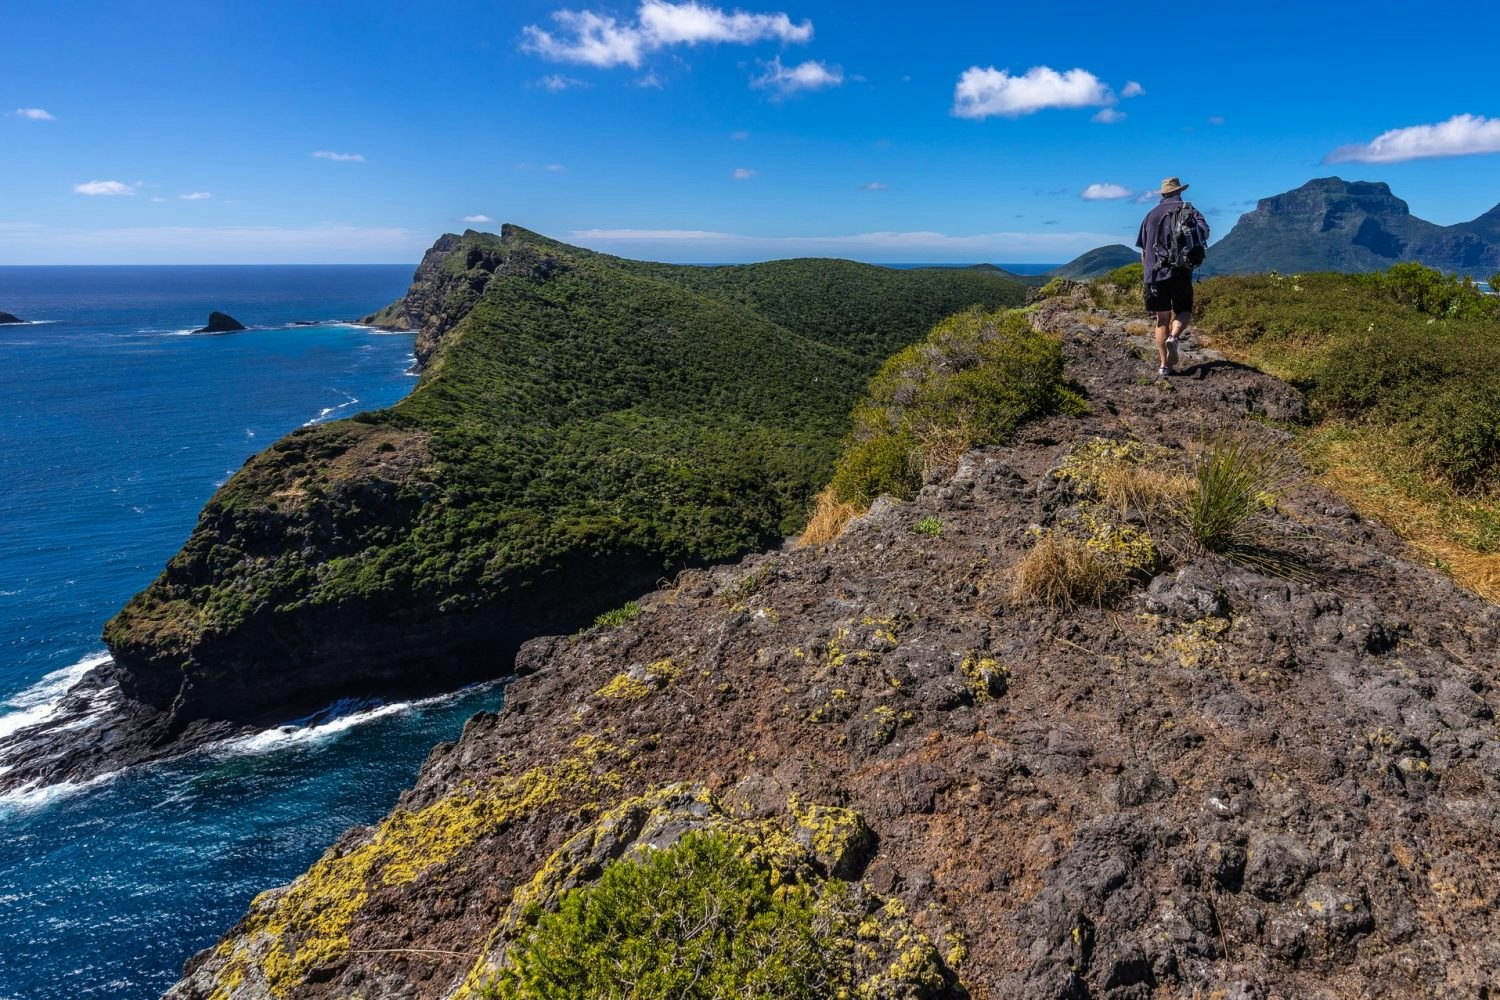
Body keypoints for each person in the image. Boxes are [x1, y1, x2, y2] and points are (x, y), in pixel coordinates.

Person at [1136, 176, 1209, 376]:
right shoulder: (1189, 210)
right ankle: (1174, 338)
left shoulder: (1149, 215)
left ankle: (1164, 366)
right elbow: (1205, 233)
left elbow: (1143, 250)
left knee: (1161, 319)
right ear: (1179, 191)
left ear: (1163, 193)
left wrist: (1148, 275)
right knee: (1184, 310)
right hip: (1180, 271)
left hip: (1154, 275)